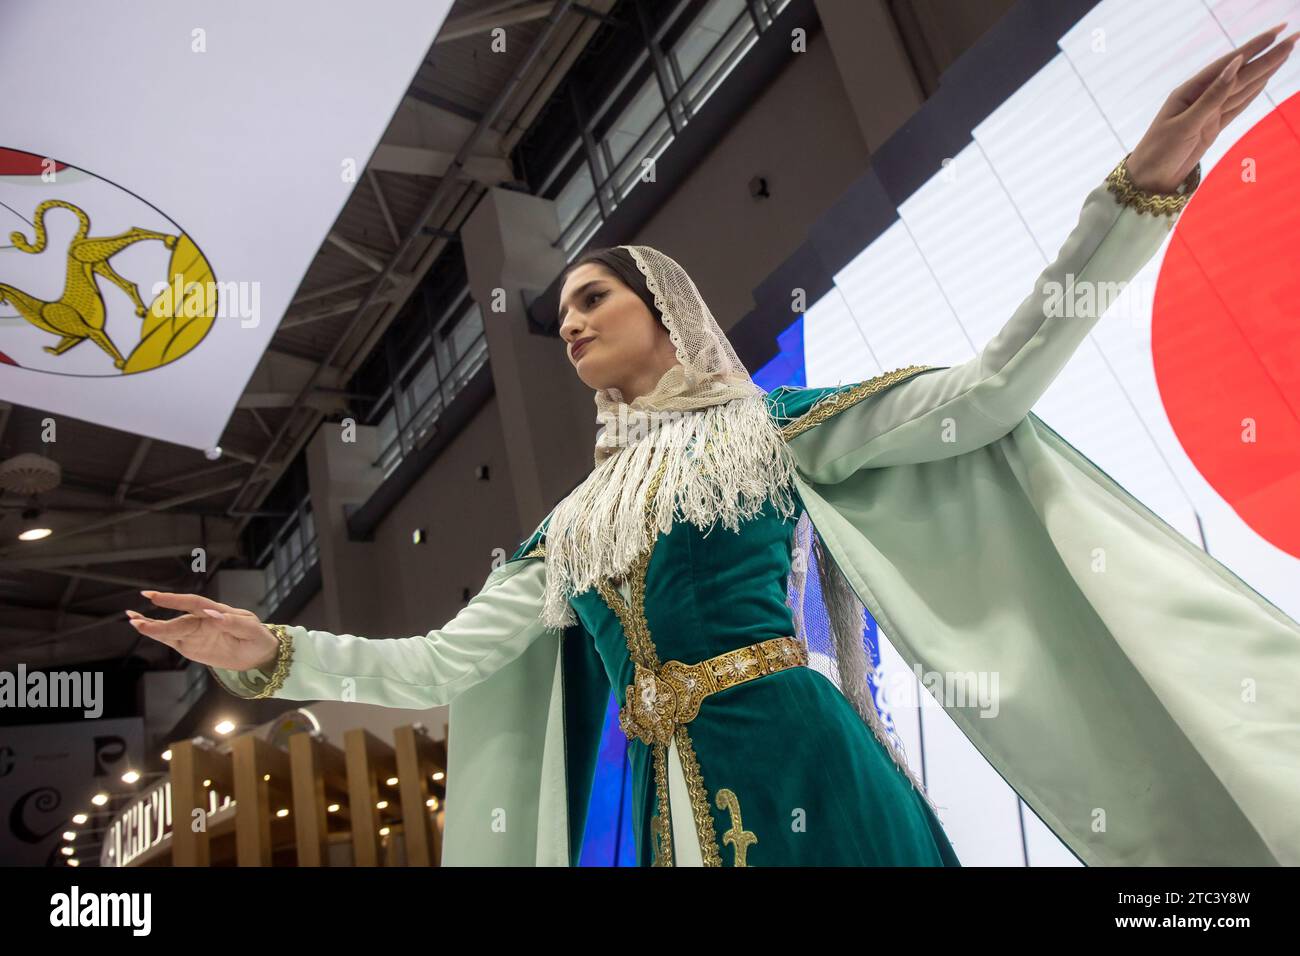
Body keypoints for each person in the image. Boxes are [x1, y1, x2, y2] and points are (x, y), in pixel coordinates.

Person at [130, 27, 1300, 867]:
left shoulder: (771, 432)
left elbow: (989, 393)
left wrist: (1135, 193)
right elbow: (436, 665)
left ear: (664, 304)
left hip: (800, 763)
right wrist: (269, 646)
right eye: (562, 314)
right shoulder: (568, 527)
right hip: (666, 802)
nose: (572, 321)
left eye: (593, 296)